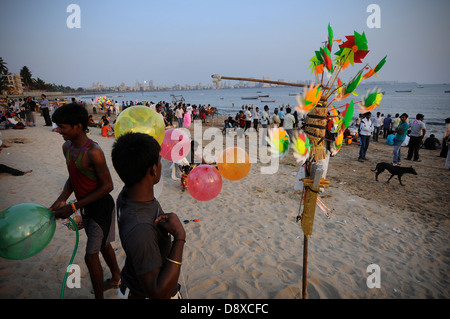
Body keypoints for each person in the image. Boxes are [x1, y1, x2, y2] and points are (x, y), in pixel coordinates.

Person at [50, 103, 121, 299]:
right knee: (104, 244)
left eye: (62, 127)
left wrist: (73, 206)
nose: (58, 131)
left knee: (91, 256)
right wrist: (61, 200)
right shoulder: (67, 147)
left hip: (101, 208)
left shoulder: (93, 151)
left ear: (78, 126)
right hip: (85, 207)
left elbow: (108, 186)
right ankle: (116, 276)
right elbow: (74, 177)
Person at [111, 132, 186, 299]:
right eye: (159, 161)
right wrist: (180, 237)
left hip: (132, 281)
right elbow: (158, 293)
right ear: (153, 170)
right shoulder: (141, 230)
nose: (160, 164)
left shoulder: (126, 195)